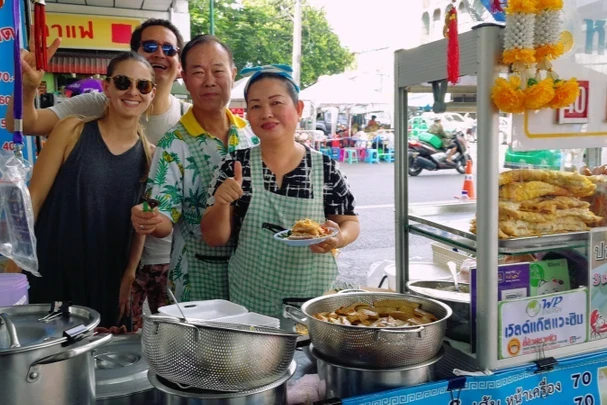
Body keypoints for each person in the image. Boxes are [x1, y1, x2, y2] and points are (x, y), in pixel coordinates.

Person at [6, 19, 188, 330]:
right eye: (122, 82)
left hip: (106, 273)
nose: (132, 92)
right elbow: (32, 200)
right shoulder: (72, 129)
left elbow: (139, 225)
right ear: (106, 86)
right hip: (51, 265)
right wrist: (15, 265)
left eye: (142, 85)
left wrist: (129, 274)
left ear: (150, 93)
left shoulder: (150, 154)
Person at [201, 65, 360, 317]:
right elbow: (214, 238)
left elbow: (349, 221)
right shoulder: (235, 165)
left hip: (313, 301)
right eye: (255, 106)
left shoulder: (325, 167)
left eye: (276, 103)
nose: (266, 113)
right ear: (247, 115)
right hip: (250, 299)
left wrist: (338, 238)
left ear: (298, 110)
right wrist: (221, 204)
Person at [130, 35, 258, 302]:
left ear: (232, 74)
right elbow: (163, 220)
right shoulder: (173, 144)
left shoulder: (251, 135)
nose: (209, 80)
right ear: (184, 78)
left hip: (252, 274)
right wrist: (150, 220)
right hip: (196, 276)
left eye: (218, 70)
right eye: (198, 72)